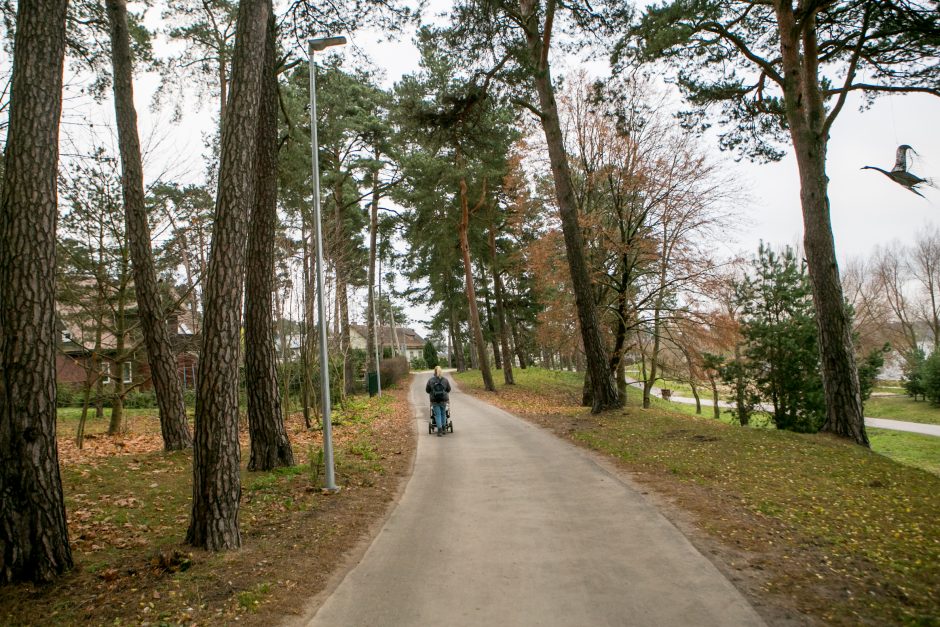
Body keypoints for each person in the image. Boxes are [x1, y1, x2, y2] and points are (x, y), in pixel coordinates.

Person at [426, 366, 451, 437]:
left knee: (437, 415)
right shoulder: (445, 380)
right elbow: (449, 389)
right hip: (443, 400)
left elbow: (427, 390)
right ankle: (444, 428)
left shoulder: (431, 380)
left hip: (434, 400)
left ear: (434, 372)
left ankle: (439, 430)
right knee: (443, 414)